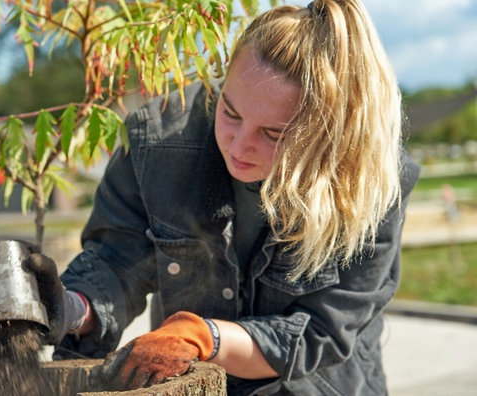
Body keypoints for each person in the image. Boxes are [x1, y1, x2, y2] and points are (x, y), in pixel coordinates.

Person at [26, 1, 422, 394]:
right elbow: (116, 261)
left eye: (272, 134)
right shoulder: (158, 140)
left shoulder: (373, 179)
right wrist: (72, 308)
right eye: (230, 112)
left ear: (327, 135)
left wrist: (204, 337)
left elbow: (321, 332)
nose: (238, 145)